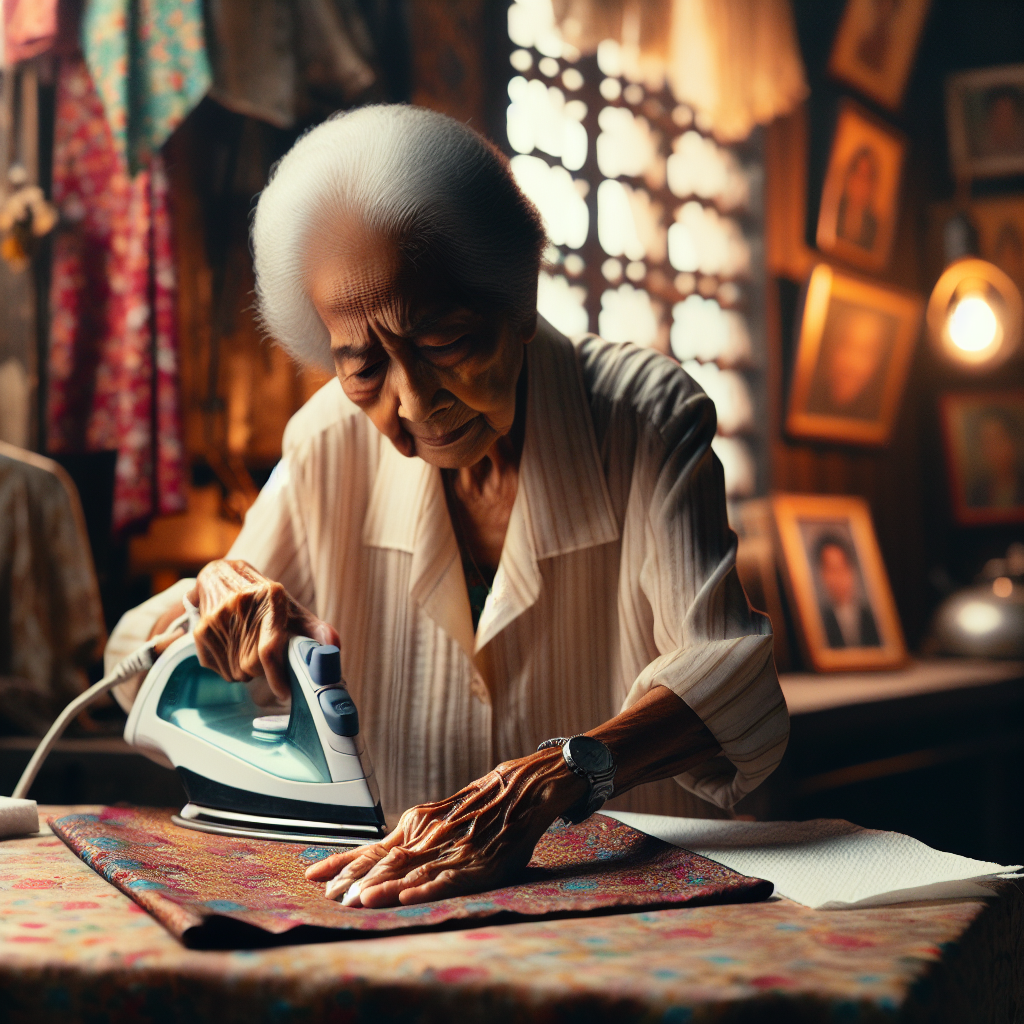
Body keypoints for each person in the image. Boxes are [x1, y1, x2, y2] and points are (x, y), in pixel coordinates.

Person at [105, 106, 787, 909]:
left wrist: (550, 778)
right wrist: (213, 599)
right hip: (397, 904)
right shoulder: (327, 438)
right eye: (362, 366)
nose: (414, 400)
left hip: (632, 907)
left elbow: (733, 682)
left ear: (518, 296)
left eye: (443, 341)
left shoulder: (644, 417)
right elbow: (135, 670)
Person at [813, 532, 880, 649]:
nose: (838, 578)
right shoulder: (818, 622)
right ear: (821, 575)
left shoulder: (874, 618)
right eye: (831, 569)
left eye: (842, 567)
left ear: (852, 570)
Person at [968, 410, 1024, 510]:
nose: (993, 449)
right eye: (987, 442)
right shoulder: (977, 491)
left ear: (1013, 441)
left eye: (999, 438)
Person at [835, 146, 879, 251]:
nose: (861, 184)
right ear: (849, 177)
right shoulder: (832, 211)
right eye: (858, 175)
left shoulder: (874, 226)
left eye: (866, 178)